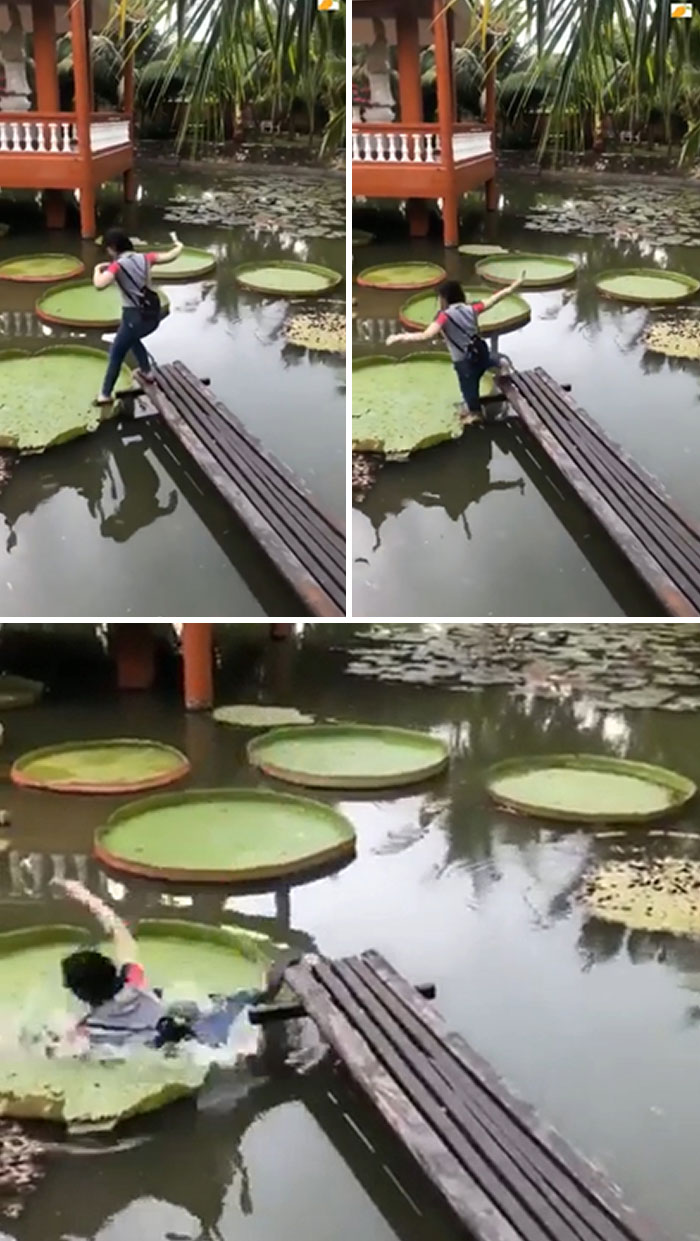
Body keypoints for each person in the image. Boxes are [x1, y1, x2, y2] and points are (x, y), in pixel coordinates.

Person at [53, 879, 278, 1051]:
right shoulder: (133, 980)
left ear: (80, 994)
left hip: (154, 1051)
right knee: (237, 1004)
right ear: (110, 969)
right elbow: (118, 930)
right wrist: (84, 895)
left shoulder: (87, 1029)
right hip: (187, 1032)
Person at [386, 272, 526, 422]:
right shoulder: (472, 309)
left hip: (464, 362)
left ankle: (475, 414)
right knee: (486, 362)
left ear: (445, 298)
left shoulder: (444, 316)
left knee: (469, 390)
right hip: (480, 353)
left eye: (440, 297)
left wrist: (400, 337)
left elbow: (426, 335)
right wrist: (513, 286)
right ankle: (500, 363)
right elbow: (494, 299)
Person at [93, 229, 184, 406]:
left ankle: (104, 394)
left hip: (133, 318)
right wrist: (179, 246)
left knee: (116, 355)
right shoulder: (146, 258)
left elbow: (99, 284)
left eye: (108, 249)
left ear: (112, 247)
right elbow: (170, 256)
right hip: (152, 316)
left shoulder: (116, 266)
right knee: (132, 340)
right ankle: (147, 373)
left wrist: (97, 270)